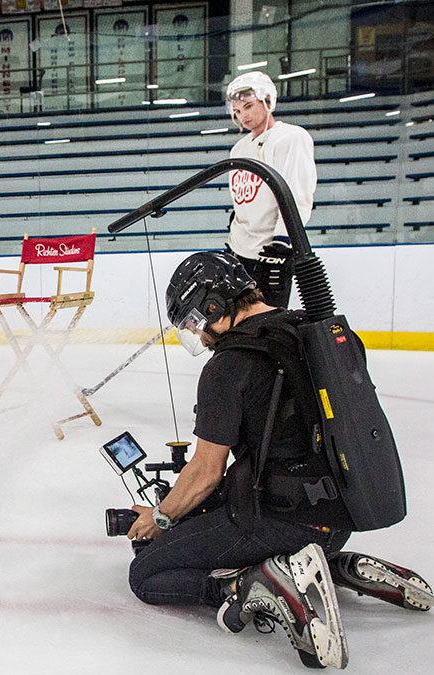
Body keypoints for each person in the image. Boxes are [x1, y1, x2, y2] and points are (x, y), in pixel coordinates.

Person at [125, 251, 431, 669]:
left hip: (282, 522)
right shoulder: (318, 334)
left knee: (146, 573)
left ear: (215, 304)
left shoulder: (230, 364)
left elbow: (205, 474)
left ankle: (252, 584)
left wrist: (161, 518)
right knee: (199, 520)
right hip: (340, 517)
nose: (201, 336)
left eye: (198, 321)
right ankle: (331, 567)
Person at [225, 71, 317, 308]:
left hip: (271, 253)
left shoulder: (290, 138)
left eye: (248, 106)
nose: (242, 115)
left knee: (267, 328)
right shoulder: (239, 149)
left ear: (268, 101)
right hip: (240, 252)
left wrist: (282, 243)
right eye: (237, 111)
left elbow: (297, 195)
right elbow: (243, 202)